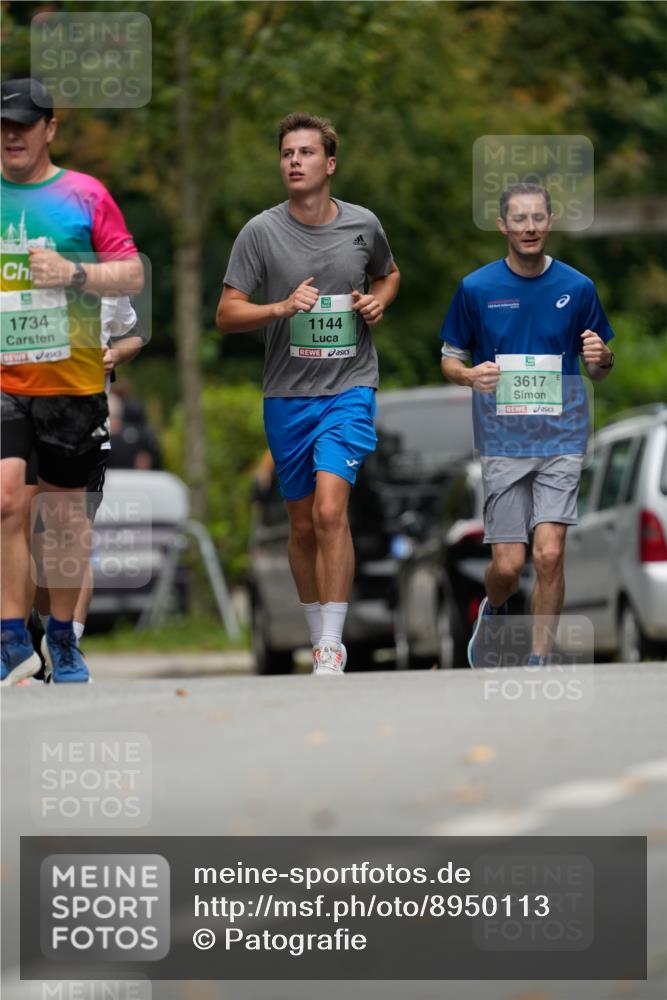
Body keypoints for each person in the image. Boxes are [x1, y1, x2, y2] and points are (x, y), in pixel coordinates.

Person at [216, 112, 400, 675]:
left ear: (330, 163)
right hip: (286, 396)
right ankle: (318, 626)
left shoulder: (364, 225)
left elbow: (388, 274)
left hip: (349, 388)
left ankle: (330, 644)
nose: (294, 161)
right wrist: (279, 307)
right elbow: (226, 314)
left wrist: (378, 301)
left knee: (327, 510)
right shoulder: (260, 232)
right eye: (287, 153)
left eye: (306, 152)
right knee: (299, 523)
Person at [1, 78, 143, 685]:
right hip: (6, 380)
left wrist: (74, 273)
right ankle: (11, 639)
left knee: (62, 520)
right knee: (6, 500)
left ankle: (62, 635)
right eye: (3, 126)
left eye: (24, 125)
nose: (11, 135)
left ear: (49, 129)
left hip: (73, 380)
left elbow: (131, 274)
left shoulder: (84, 194)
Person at [440, 182, 614, 668]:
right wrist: (471, 374)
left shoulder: (578, 288)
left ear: (550, 222)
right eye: (519, 219)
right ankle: (493, 610)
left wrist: (602, 357)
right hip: (503, 440)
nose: (530, 227)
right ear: (503, 226)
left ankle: (539, 659)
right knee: (508, 565)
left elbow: (599, 365)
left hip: (562, 437)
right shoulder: (476, 289)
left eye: (538, 217)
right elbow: (450, 360)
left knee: (550, 555)